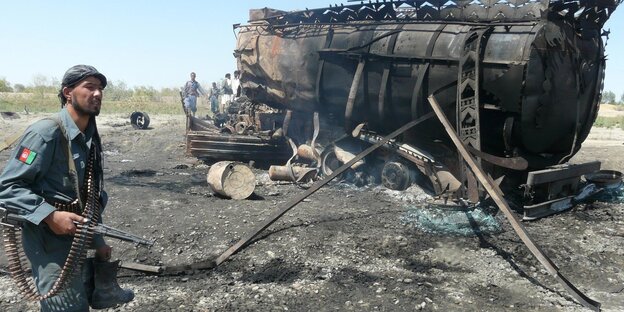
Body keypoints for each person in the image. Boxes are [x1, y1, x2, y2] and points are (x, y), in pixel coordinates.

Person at [0, 65, 134, 311]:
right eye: (89, 87)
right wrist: (51, 215)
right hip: (47, 239)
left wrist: (98, 239)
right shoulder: (46, 133)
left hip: (77, 235)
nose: (97, 94)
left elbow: (88, 195)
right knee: (65, 306)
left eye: (100, 88)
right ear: (68, 93)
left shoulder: (88, 134)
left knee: (78, 300)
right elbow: (8, 187)